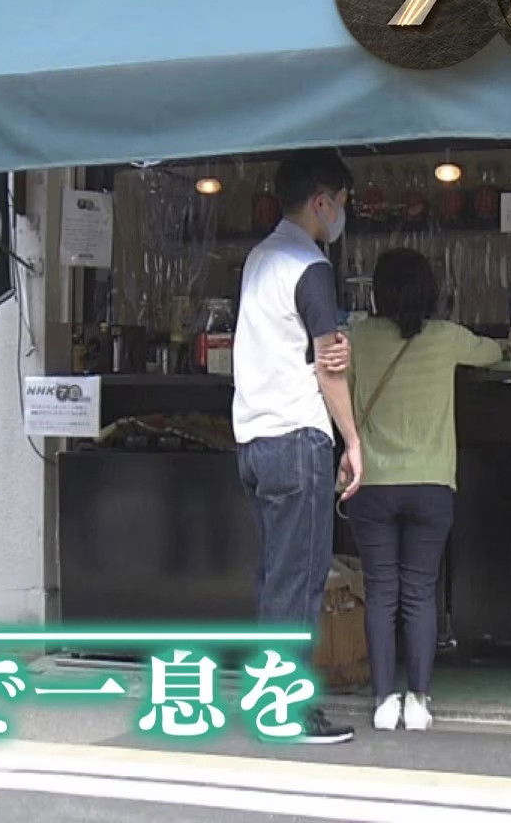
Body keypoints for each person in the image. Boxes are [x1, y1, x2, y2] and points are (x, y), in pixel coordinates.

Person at [344, 248, 503, 733]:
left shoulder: (358, 338)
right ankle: (419, 700)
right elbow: (495, 353)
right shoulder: (448, 339)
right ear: (432, 293)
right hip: (433, 484)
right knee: (419, 593)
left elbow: (338, 389)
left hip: (372, 484)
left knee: (381, 592)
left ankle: (383, 700)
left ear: (377, 293)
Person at [233, 149, 360, 746]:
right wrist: (353, 442)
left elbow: (314, 352)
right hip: (297, 438)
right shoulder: (310, 265)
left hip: (255, 442)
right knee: (301, 581)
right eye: (342, 203)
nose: (343, 214)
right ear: (321, 202)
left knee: (276, 580)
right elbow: (328, 366)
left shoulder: (259, 260)